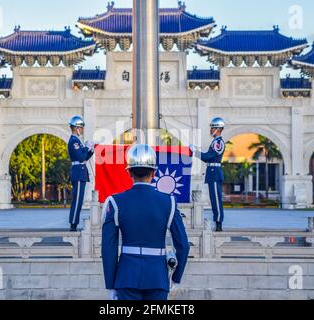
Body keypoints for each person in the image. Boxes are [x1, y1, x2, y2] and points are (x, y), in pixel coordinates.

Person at [101, 144, 190, 301]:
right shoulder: (169, 202)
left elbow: (108, 248)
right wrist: (175, 277)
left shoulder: (114, 202)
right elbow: (183, 245)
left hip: (126, 277)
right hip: (158, 278)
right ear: (154, 173)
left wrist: (111, 284)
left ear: (129, 172)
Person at [190, 117, 226, 232]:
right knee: (213, 199)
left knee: (216, 199)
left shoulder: (218, 143)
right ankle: (217, 221)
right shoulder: (214, 142)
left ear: (218, 129)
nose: (211, 130)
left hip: (215, 174)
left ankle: (219, 222)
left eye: (213, 128)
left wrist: (195, 152)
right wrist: (197, 152)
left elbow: (208, 156)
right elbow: (207, 158)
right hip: (212, 173)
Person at [68, 115, 95, 232]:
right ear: (76, 128)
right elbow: (81, 156)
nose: (82, 131)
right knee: (77, 200)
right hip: (78, 173)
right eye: (81, 128)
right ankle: (73, 224)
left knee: (79, 200)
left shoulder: (77, 141)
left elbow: (84, 158)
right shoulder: (74, 141)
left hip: (80, 172)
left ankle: (74, 223)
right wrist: (86, 149)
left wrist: (90, 150)